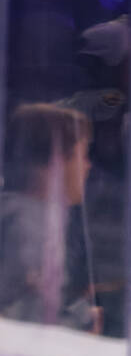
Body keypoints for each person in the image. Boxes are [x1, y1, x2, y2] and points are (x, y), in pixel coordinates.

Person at [0, 103, 98, 331]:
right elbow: (29, 322)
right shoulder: (32, 225)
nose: (88, 166)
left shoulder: (18, 213)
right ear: (57, 161)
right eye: (83, 155)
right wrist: (82, 323)